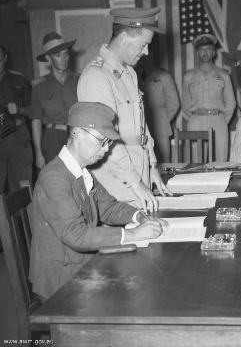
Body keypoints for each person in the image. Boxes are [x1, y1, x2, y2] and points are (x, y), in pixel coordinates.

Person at [29, 102, 169, 300]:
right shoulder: (54, 177)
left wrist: (140, 217)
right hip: (60, 283)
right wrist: (133, 234)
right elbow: (75, 235)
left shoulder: (81, 172)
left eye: (108, 143)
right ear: (77, 133)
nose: (106, 150)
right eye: (102, 141)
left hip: (84, 269)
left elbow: (109, 208)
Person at [78, 7, 171, 211]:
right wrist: (135, 181)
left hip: (138, 176)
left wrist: (152, 166)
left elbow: (141, 129)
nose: (146, 52)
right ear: (124, 37)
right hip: (117, 185)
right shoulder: (97, 77)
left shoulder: (129, 72)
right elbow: (105, 139)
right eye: (144, 45)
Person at [181, 34, 235, 162]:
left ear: (214, 52)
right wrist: (194, 119)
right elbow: (185, 104)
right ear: (197, 52)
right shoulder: (189, 76)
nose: (205, 52)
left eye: (209, 49)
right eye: (201, 50)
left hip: (218, 121)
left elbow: (231, 104)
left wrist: (220, 120)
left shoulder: (223, 75)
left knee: (219, 161)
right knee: (195, 162)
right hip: (196, 121)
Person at [29, 32, 79, 171]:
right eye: (58, 55)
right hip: (52, 139)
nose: (63, 59)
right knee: (53, 180)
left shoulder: (79, 81)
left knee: (79, 180)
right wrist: (38, 154)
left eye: (66, 54)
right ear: (48, 58)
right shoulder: (39, 86)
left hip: (77, 136)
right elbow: (36, 122)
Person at [0, 45, 33, 194]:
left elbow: (34, 110)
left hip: (18, 139)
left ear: (5, 59)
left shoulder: (18, 79)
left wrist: (19, 110)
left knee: (22, 189)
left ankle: (23, 218)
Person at [142, 64, 179, 162]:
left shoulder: (163, 75)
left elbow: (174, 104)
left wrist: (163, 121)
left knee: (162, 162)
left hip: (160, 126)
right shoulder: (131, 73)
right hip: (139, 126)